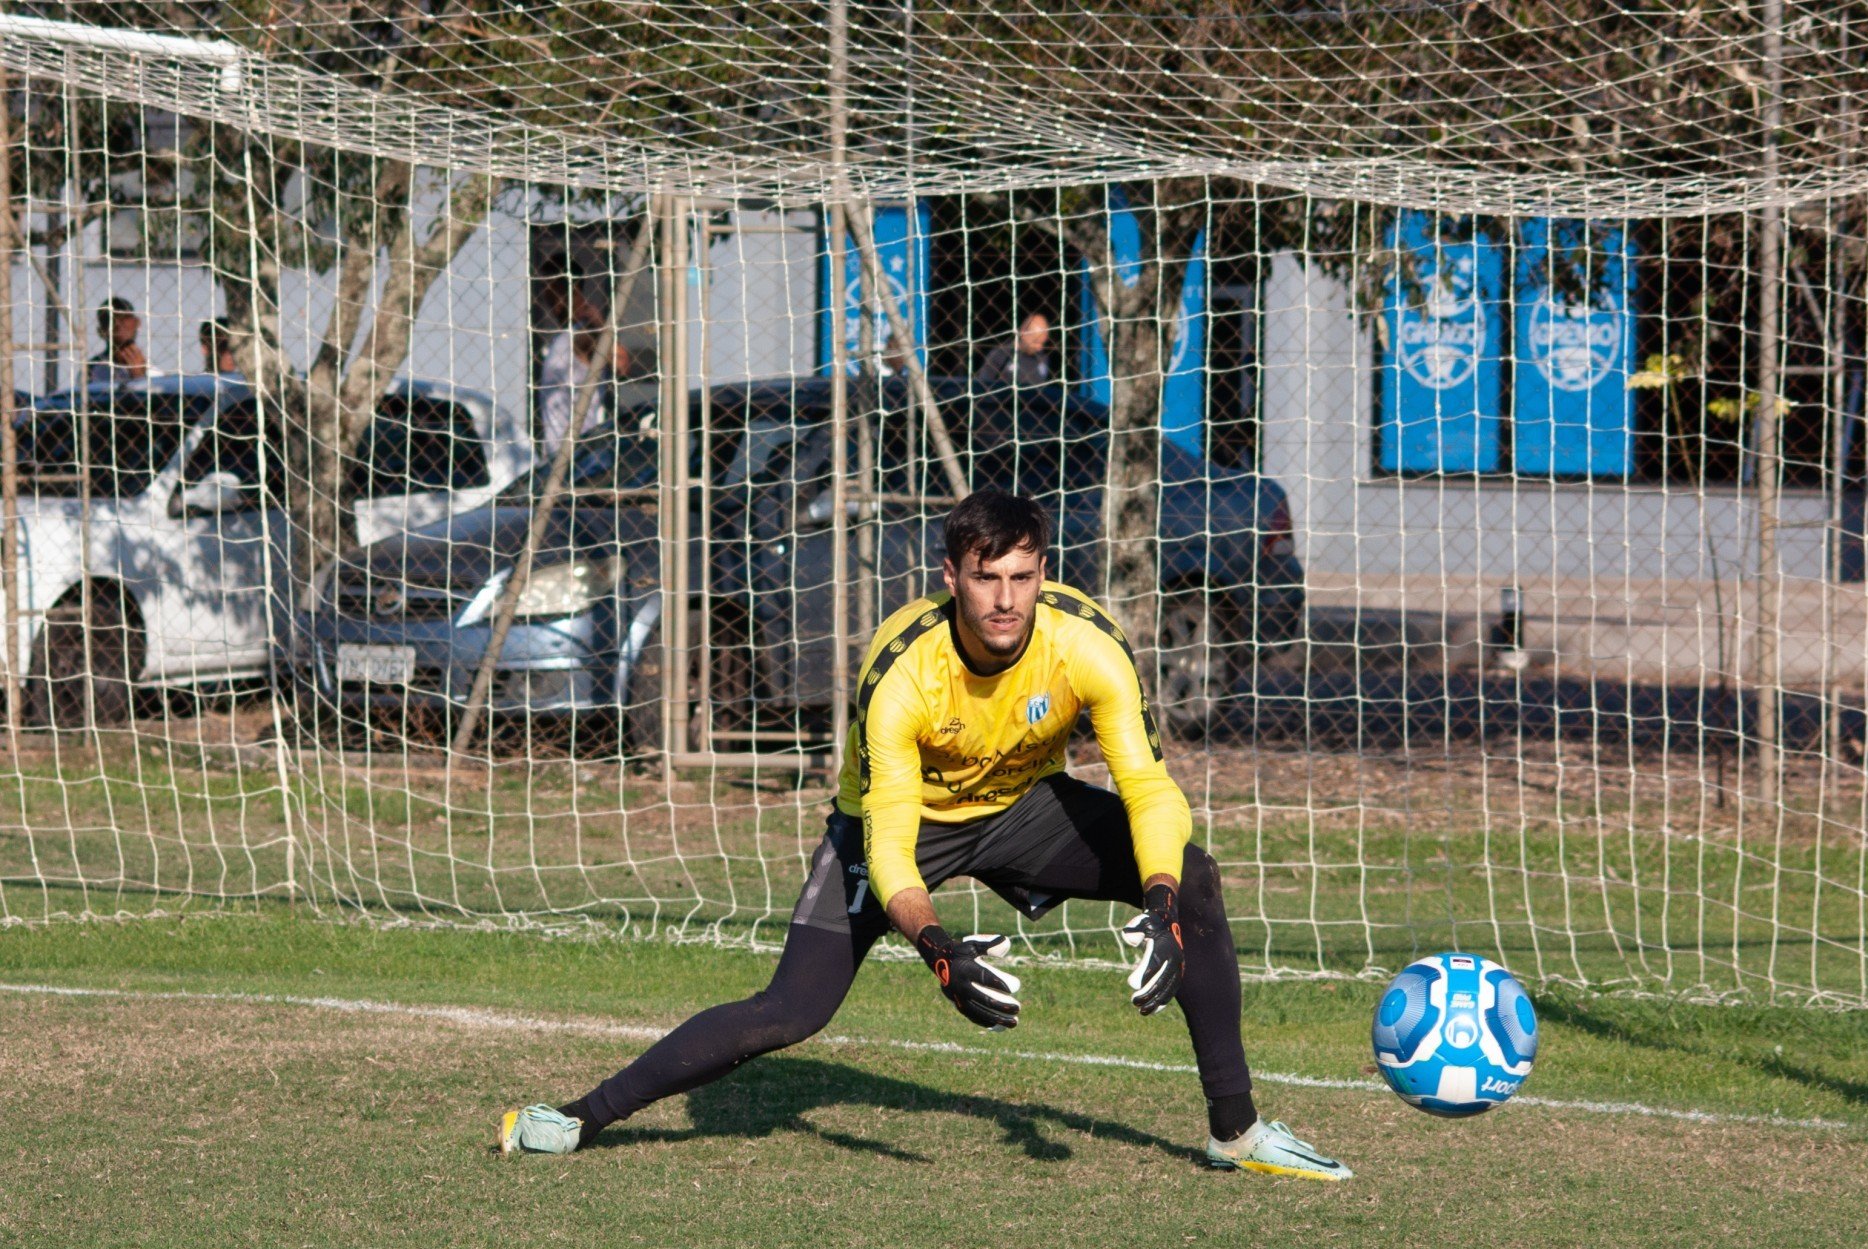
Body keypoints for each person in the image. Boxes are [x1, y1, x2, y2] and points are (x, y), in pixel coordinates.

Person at [498, 489, 1352, 1182]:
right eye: (988, 577)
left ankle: (1235, 1130)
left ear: (1043, 571)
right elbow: (893, 845)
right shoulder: (902, 670)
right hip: (899, 828)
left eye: (1023, 575)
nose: (1007, 597)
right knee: (792, 1010)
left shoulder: (1086, 642)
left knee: (1194, 875)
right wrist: (939, 947)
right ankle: (580, 1115)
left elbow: (1148, 788)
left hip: (1022, 809)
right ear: (952, 576)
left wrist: (1160, 899)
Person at [537, 283, 630, 460]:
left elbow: (622, 365)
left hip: (580, 453)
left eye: (552, 292)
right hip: (555, 452)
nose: (548, 300)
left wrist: (601, 327)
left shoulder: (583, 331)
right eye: (545, 293)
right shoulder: (563, 334)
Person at [84, 297, 153, 384]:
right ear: (101, 331)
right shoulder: (91, 370)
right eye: (109, 319)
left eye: (124, 317)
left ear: (137, 322)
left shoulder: (154, 373)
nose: (118, 323)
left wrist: (139, 376)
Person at [975, 312, 1055, 388]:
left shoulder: (1043, 359)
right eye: (1036, 342)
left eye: (1042, 343)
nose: (1039, 347)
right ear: (1023, 333)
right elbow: (983, 386)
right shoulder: (1000, 355)